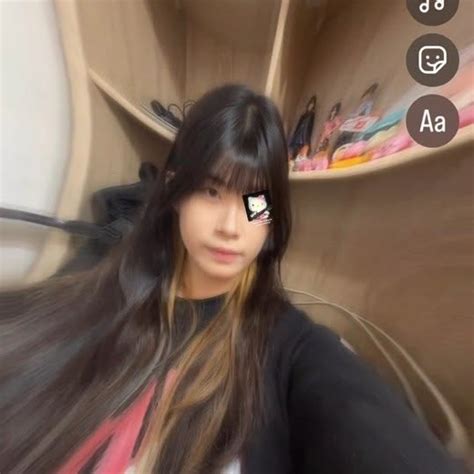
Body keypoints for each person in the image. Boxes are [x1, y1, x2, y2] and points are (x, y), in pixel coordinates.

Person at [0, 84, 465, 474]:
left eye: (254, 202)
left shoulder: (290, 346)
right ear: (175, 189)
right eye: (211, 190)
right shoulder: (111, 282)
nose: (231, 226)